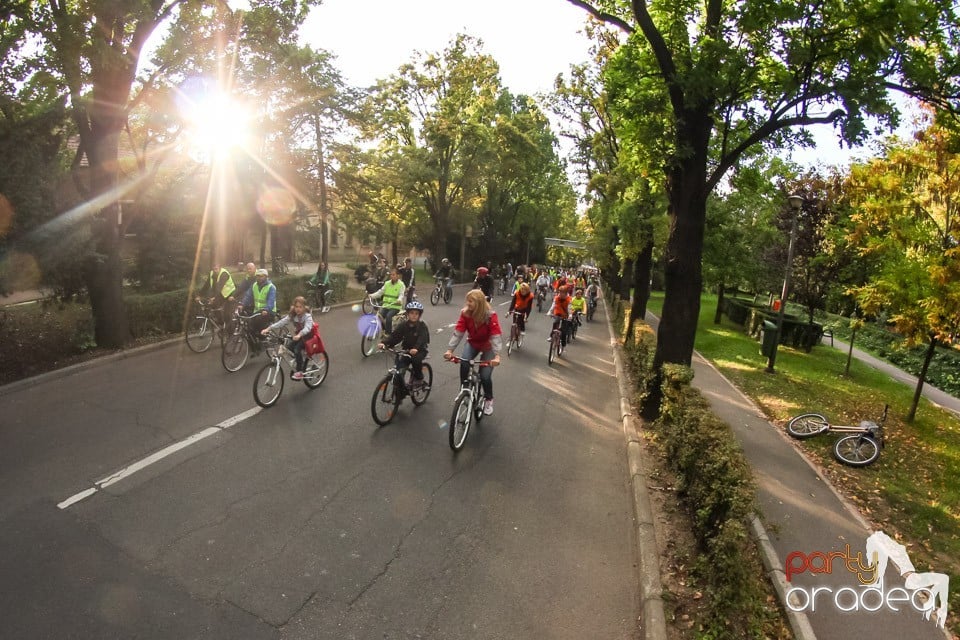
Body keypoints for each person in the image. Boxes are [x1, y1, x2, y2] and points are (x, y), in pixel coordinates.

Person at [444, 289, 502, 416]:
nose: (468, 303)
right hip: (473, 343)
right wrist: (450, 350)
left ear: (479, 303)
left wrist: (497, 356)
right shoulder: (465, 314)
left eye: (471, 301)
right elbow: (458, 332)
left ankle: (488, 399)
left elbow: (495, 336)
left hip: (488, 346)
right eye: (467, 301)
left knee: (485, 376)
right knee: (464, 362)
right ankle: (463, 390)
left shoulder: (490, 315)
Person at [378, 300, 430, 389]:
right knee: (400, 367)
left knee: (416, 360)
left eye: (416, 313)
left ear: (419, 315)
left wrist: (416, 348)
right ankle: (399, 389)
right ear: (407, 314)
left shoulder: (422, 326)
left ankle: (419, 378)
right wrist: (384, 343)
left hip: (420, 350)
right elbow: (395, 336)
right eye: (411, 313)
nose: (414, 315)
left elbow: (422, 338)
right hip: (406, 350)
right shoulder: (403, 325)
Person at [261, 296, 314, 379]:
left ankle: (300, 371)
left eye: (300, 307)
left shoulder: (307, 316)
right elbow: (282, 322)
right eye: (296, 306)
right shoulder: (293, 315)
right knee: (289, 348)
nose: (298, 309)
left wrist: (299, 335)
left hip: (307, 337)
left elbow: (308, 328)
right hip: (299, 336)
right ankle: (301, 361)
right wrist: (268, 328)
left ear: (304, 307)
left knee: (297, 349)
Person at [241, 268, 277, 339]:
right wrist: (242, 304)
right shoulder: (254, 285)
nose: (259, 278)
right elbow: (248, 296)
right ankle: (256, 342)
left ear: (266, 277)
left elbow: (271, 301)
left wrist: (266, 310)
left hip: (269, 311)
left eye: (261, 276)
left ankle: (264, 338)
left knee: (258, 325)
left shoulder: (271, 287)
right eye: (258, 276)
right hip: (257, 312)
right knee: (249, 325)